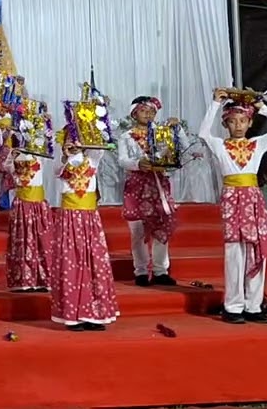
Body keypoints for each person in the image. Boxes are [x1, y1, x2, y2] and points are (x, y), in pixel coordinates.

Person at [198, 91, 267, 324]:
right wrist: (216, 103)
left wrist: (261, 107)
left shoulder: (257, 144)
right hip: (232, 199)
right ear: (225, 123)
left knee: (256, 249)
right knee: (234, 254)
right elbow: (203, 133)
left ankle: (254, 305)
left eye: (243, 120)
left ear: (250, 122)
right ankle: (233, 306)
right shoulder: (219, 145)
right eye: (232, 121)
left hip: (253, 199)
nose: (238, 125)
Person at [49, 132, 118, 331]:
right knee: (72, 262)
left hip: (89, 218)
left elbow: (101, 138)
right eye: (72, 138)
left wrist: (94, 120)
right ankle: (73, 315)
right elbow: (57, 169)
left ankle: (94, 314)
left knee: (93, 262)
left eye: (78, 139)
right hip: (69, 218)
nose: (75, 143)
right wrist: (65, 153)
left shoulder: (92, 158)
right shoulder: (62, 159)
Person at [116, 97, 179, 286]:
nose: (148, 114)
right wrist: (137, 164)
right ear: (134, 114)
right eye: (144, 111)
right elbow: (122, 160)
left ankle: (161, 271)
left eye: (151, 111)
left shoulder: (162, 133)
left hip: (159, 184)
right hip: (137, 185)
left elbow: (175, 152)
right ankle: (141, 271)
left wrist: (177, 129)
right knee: (138, 231)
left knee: (161, 227)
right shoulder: (126, 136)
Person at [3, 147, 51, 292]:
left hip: (37, 205)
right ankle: (23, 280)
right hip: (22, 206)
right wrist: (12, 154)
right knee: (22, 241)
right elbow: (6, 166)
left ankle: (43, 279)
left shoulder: (40, 157)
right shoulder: (16, 160)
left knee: (41, 241)